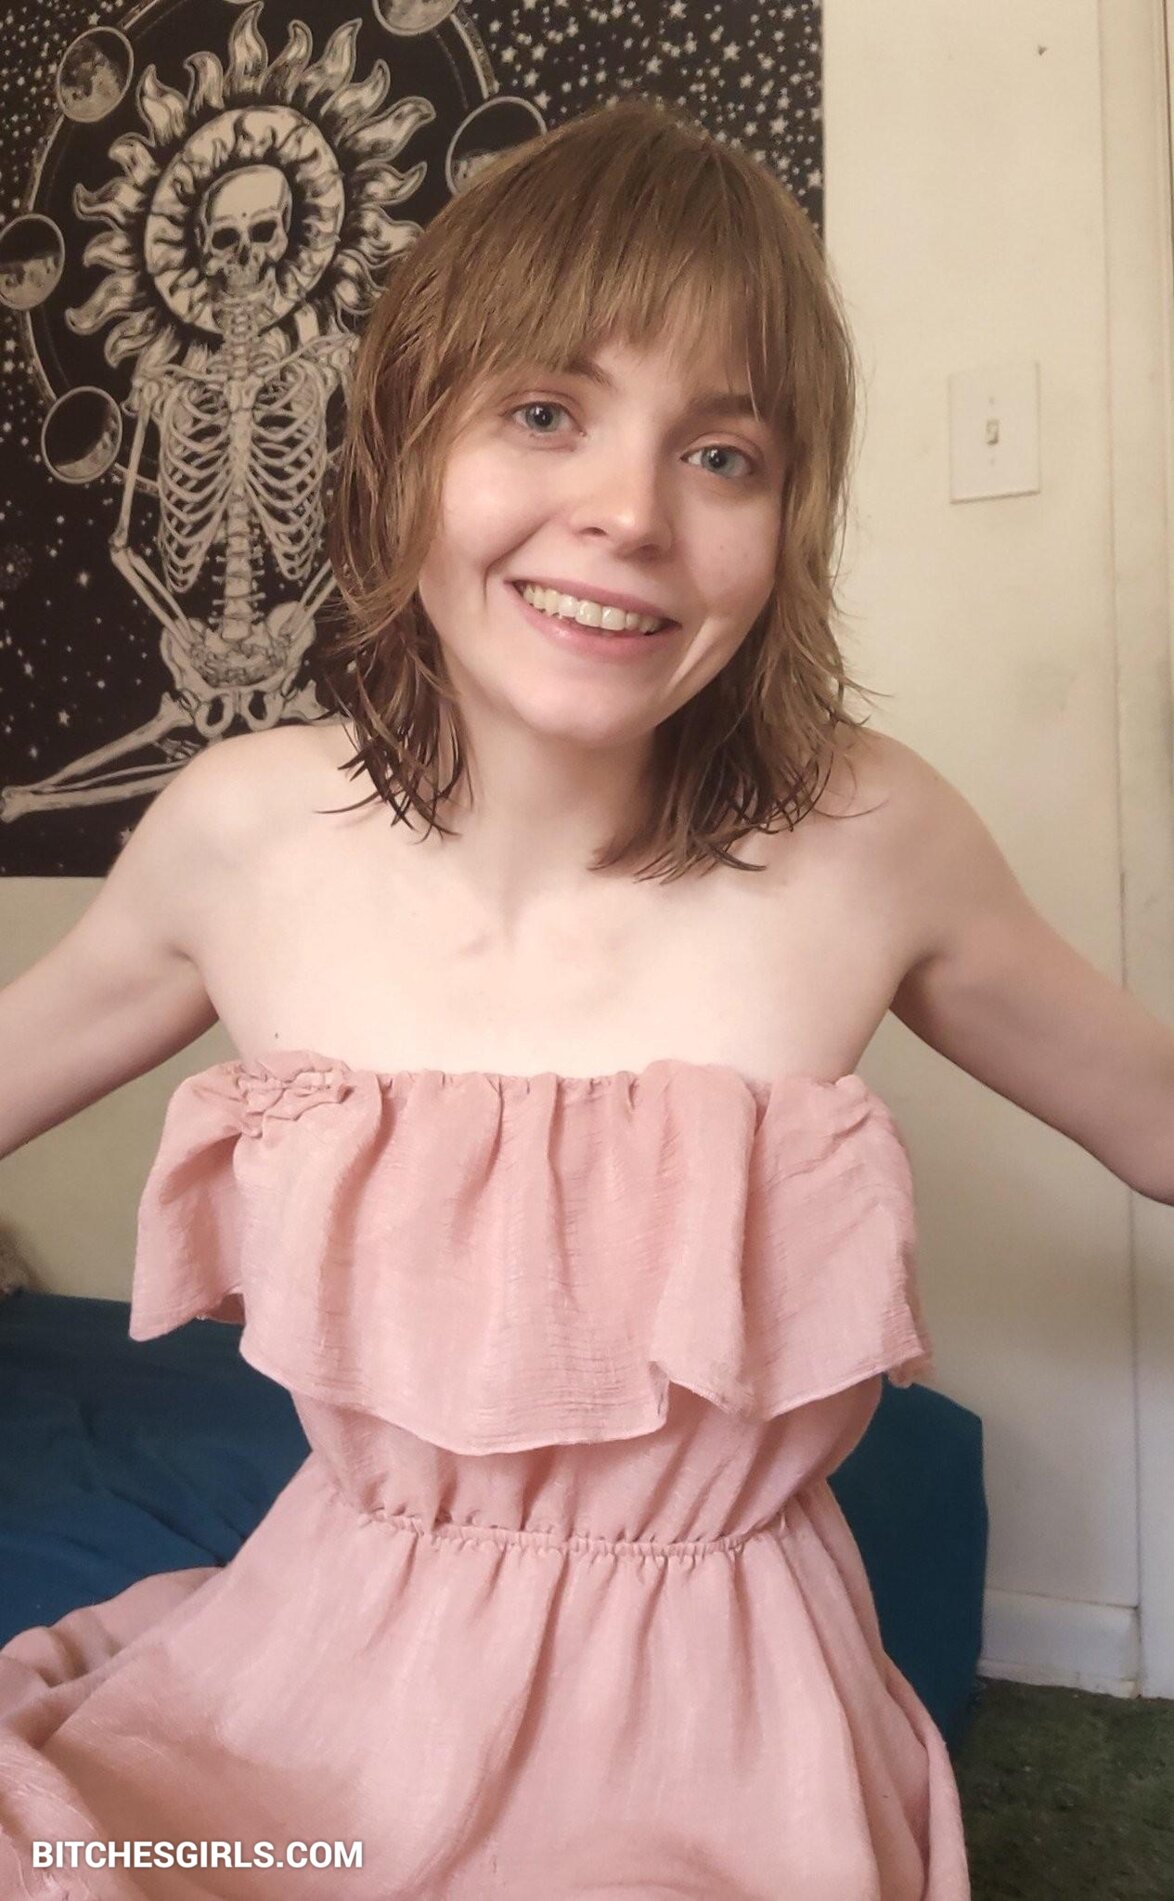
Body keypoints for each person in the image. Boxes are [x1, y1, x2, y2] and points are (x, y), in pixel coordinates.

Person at [0, 93, 1170, 1900]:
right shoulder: (237, 833)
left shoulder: (875, 837)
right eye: (544, 412)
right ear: (405, 448)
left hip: (713, 1738)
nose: (628, 512)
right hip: (318, 1698)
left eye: (723, 453)